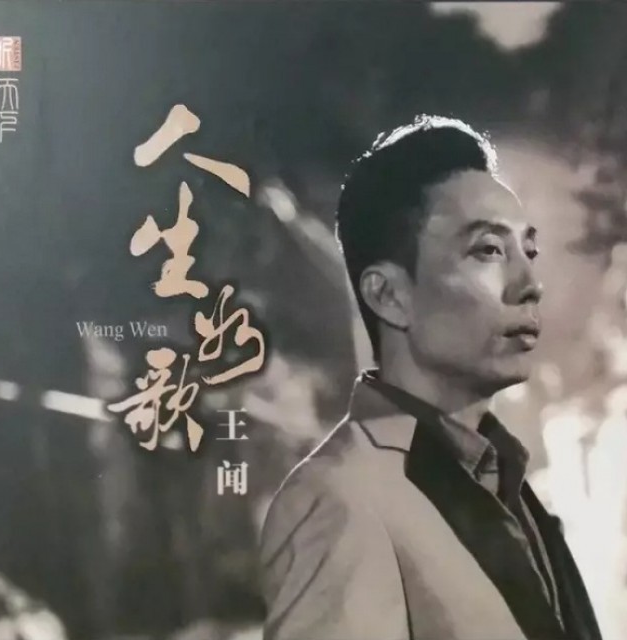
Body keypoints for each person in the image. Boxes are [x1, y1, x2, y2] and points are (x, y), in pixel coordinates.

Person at [258, 116, 603, 640]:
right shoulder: (339, 498)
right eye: (487, 250)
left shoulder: (503, 480)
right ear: (389, 296)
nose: (530, 284)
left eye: (527, 251)